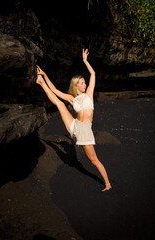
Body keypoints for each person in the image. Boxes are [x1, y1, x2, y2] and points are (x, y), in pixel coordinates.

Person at [36, 49, 111, 192]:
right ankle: (40, 82)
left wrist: (85, 61)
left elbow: (93, 74)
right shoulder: (72, 98)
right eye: (82, 83)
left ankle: (107, 183)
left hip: (85, 130)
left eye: (84, 82)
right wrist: (44, 75)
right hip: (75, 126)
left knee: (94, 160)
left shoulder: (89, 93)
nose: (84, 84)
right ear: (76, 85)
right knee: (59, 103)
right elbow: (56, 91)